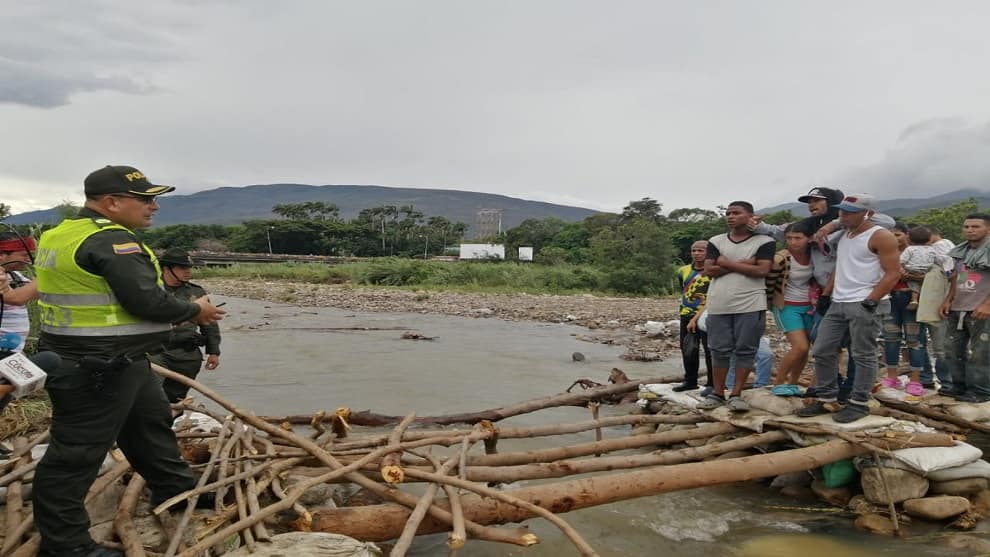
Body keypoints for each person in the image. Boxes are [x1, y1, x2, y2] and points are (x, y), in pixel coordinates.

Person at [32, 165, 227, 557]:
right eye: (145, 199)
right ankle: (66, 545)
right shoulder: (112, 240)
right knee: (75, 455)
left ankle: (178, 492)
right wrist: (195, 310)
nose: (154, 207)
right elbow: (147, 302)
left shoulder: (61, 233)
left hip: (121, 360)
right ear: (111, 203)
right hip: (96, 367)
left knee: (150, 428)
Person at [798, 194, 900, 423]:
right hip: (839, 300)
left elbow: (894, 272)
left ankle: (859, 402)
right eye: (841, 211)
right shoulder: (844, 234)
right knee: (823, 349)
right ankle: (827, 398)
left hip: (865, 300)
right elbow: (841, 267)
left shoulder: (880, 236)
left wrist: (871, 300)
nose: (843, 215)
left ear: (868, 213)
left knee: (863, 353)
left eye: (850, 212)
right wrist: (826, 295)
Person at [696, 201, 775, 412]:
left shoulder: (764, 241)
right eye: (728, 213)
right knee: (719, 350)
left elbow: (762, 271)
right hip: (720, 303)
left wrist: (726, 262)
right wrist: (747, 264)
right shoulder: (716, 241)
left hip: (750, 304)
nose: (730, 216)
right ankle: (717, 393)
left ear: (750, 216)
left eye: (736, 213)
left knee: (746, 350)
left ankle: (736, 395)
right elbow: (709, 270)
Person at [149, 248, 222, 403]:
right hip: (157, 352)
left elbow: (209, 323)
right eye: (182, 268)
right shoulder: (152, 291)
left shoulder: (197, 292)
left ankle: (171, 424)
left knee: (176, 400)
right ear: (166, 268)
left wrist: (214, 351)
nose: (188, 272)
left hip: (187, 355)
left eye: (189, 268)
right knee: (152, 398)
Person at [939, 213, 990, 402]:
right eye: (966, 227)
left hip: (981, 309)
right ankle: (959, 386)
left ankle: (981, 391)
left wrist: (987, 304)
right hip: (959, 306)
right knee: (952, 349)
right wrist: (948, 300)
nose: (969, 230)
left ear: (988, 229)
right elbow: (956, 278)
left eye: (976, 227)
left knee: (981, 352)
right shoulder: (961, 251)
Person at [765, 222, 816, 396]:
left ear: (809, 238)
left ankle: (793, 384)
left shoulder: (815, 255)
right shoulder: (780, 258)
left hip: (809, 306)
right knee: (799, 347)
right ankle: (779, 383)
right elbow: (768, 284)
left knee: (806, 349)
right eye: (789, 238)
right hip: (786, 306)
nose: (793, 242)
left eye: (798, 238)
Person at [880, 223, 929, 397]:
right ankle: (892, 376)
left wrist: (912, 275)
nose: (894, 238)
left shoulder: (921, 253)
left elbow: (934, 275)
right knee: (890, 338)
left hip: (912, 299)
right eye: (891, 235)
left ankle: (916, 380)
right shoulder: (883, 253)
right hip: (890, 298)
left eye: (898, 234)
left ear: (907, 235)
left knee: (914, 340)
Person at [672, 240, 712, 392]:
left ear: (709, 252)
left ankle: (712, 384)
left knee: (710, 350)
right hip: (686, 314)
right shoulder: (683, 271)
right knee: (688, 349)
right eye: (694, 250)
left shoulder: (713, 271)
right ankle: (690, 381)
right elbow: (683, 290)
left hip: (708, 316)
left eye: (701, 250)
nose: (697, 253)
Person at [0, 231, 38, 352]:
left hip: (13, 352)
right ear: (2, 254)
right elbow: (17, 299)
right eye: (24, 255)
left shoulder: (16, 276)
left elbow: (37, 292)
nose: (29, 259)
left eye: (31, 255)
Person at [900, 226, 946, 311]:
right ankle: (920, 299)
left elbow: (902, 260)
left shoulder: (909, 249)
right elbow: (938, 260)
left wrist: (901, 268)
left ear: (910, 239)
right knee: (923, 283)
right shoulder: (931, 249)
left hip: (912, 269)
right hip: (926, 269)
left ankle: (914, 300)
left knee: (912, 282)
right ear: (929, 239)